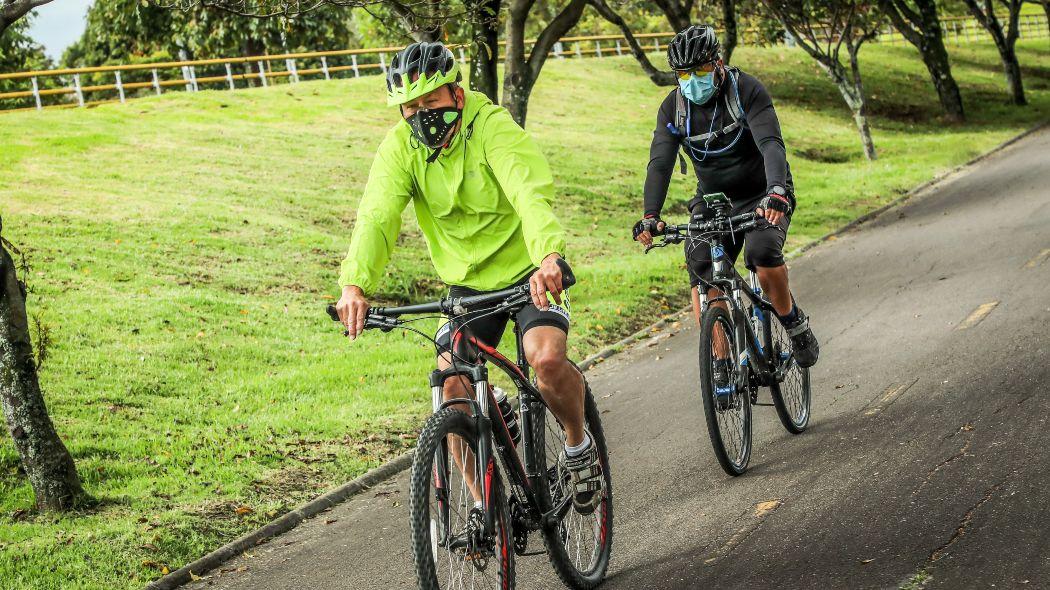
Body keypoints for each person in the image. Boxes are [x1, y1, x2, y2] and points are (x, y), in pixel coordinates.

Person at [335, 42, 603, 515]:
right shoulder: (401, 147)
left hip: (527, 272)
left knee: (544, 363)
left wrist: (548, 256)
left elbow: (527, 191)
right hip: (466, 288)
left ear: (456, 95)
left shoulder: (491, 126)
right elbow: (377, 215)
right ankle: (486, 509)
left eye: (431, 102)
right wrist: (355, 285)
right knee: (449, 387)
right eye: (411, 107)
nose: (422, 115)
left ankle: (579, 446)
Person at [633, 24, 820, 389]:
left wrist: (777, 191)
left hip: (763, 191)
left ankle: (792, 322)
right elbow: (660, 163)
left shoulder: (745, 90)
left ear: (718, 63)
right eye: (683, 74)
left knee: (762, 253)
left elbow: (770, 144)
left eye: (699, 70)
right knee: (701, 266)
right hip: (715, 199)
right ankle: (719, 360)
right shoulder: (674, 108)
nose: (691, 80)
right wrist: (650, 215)